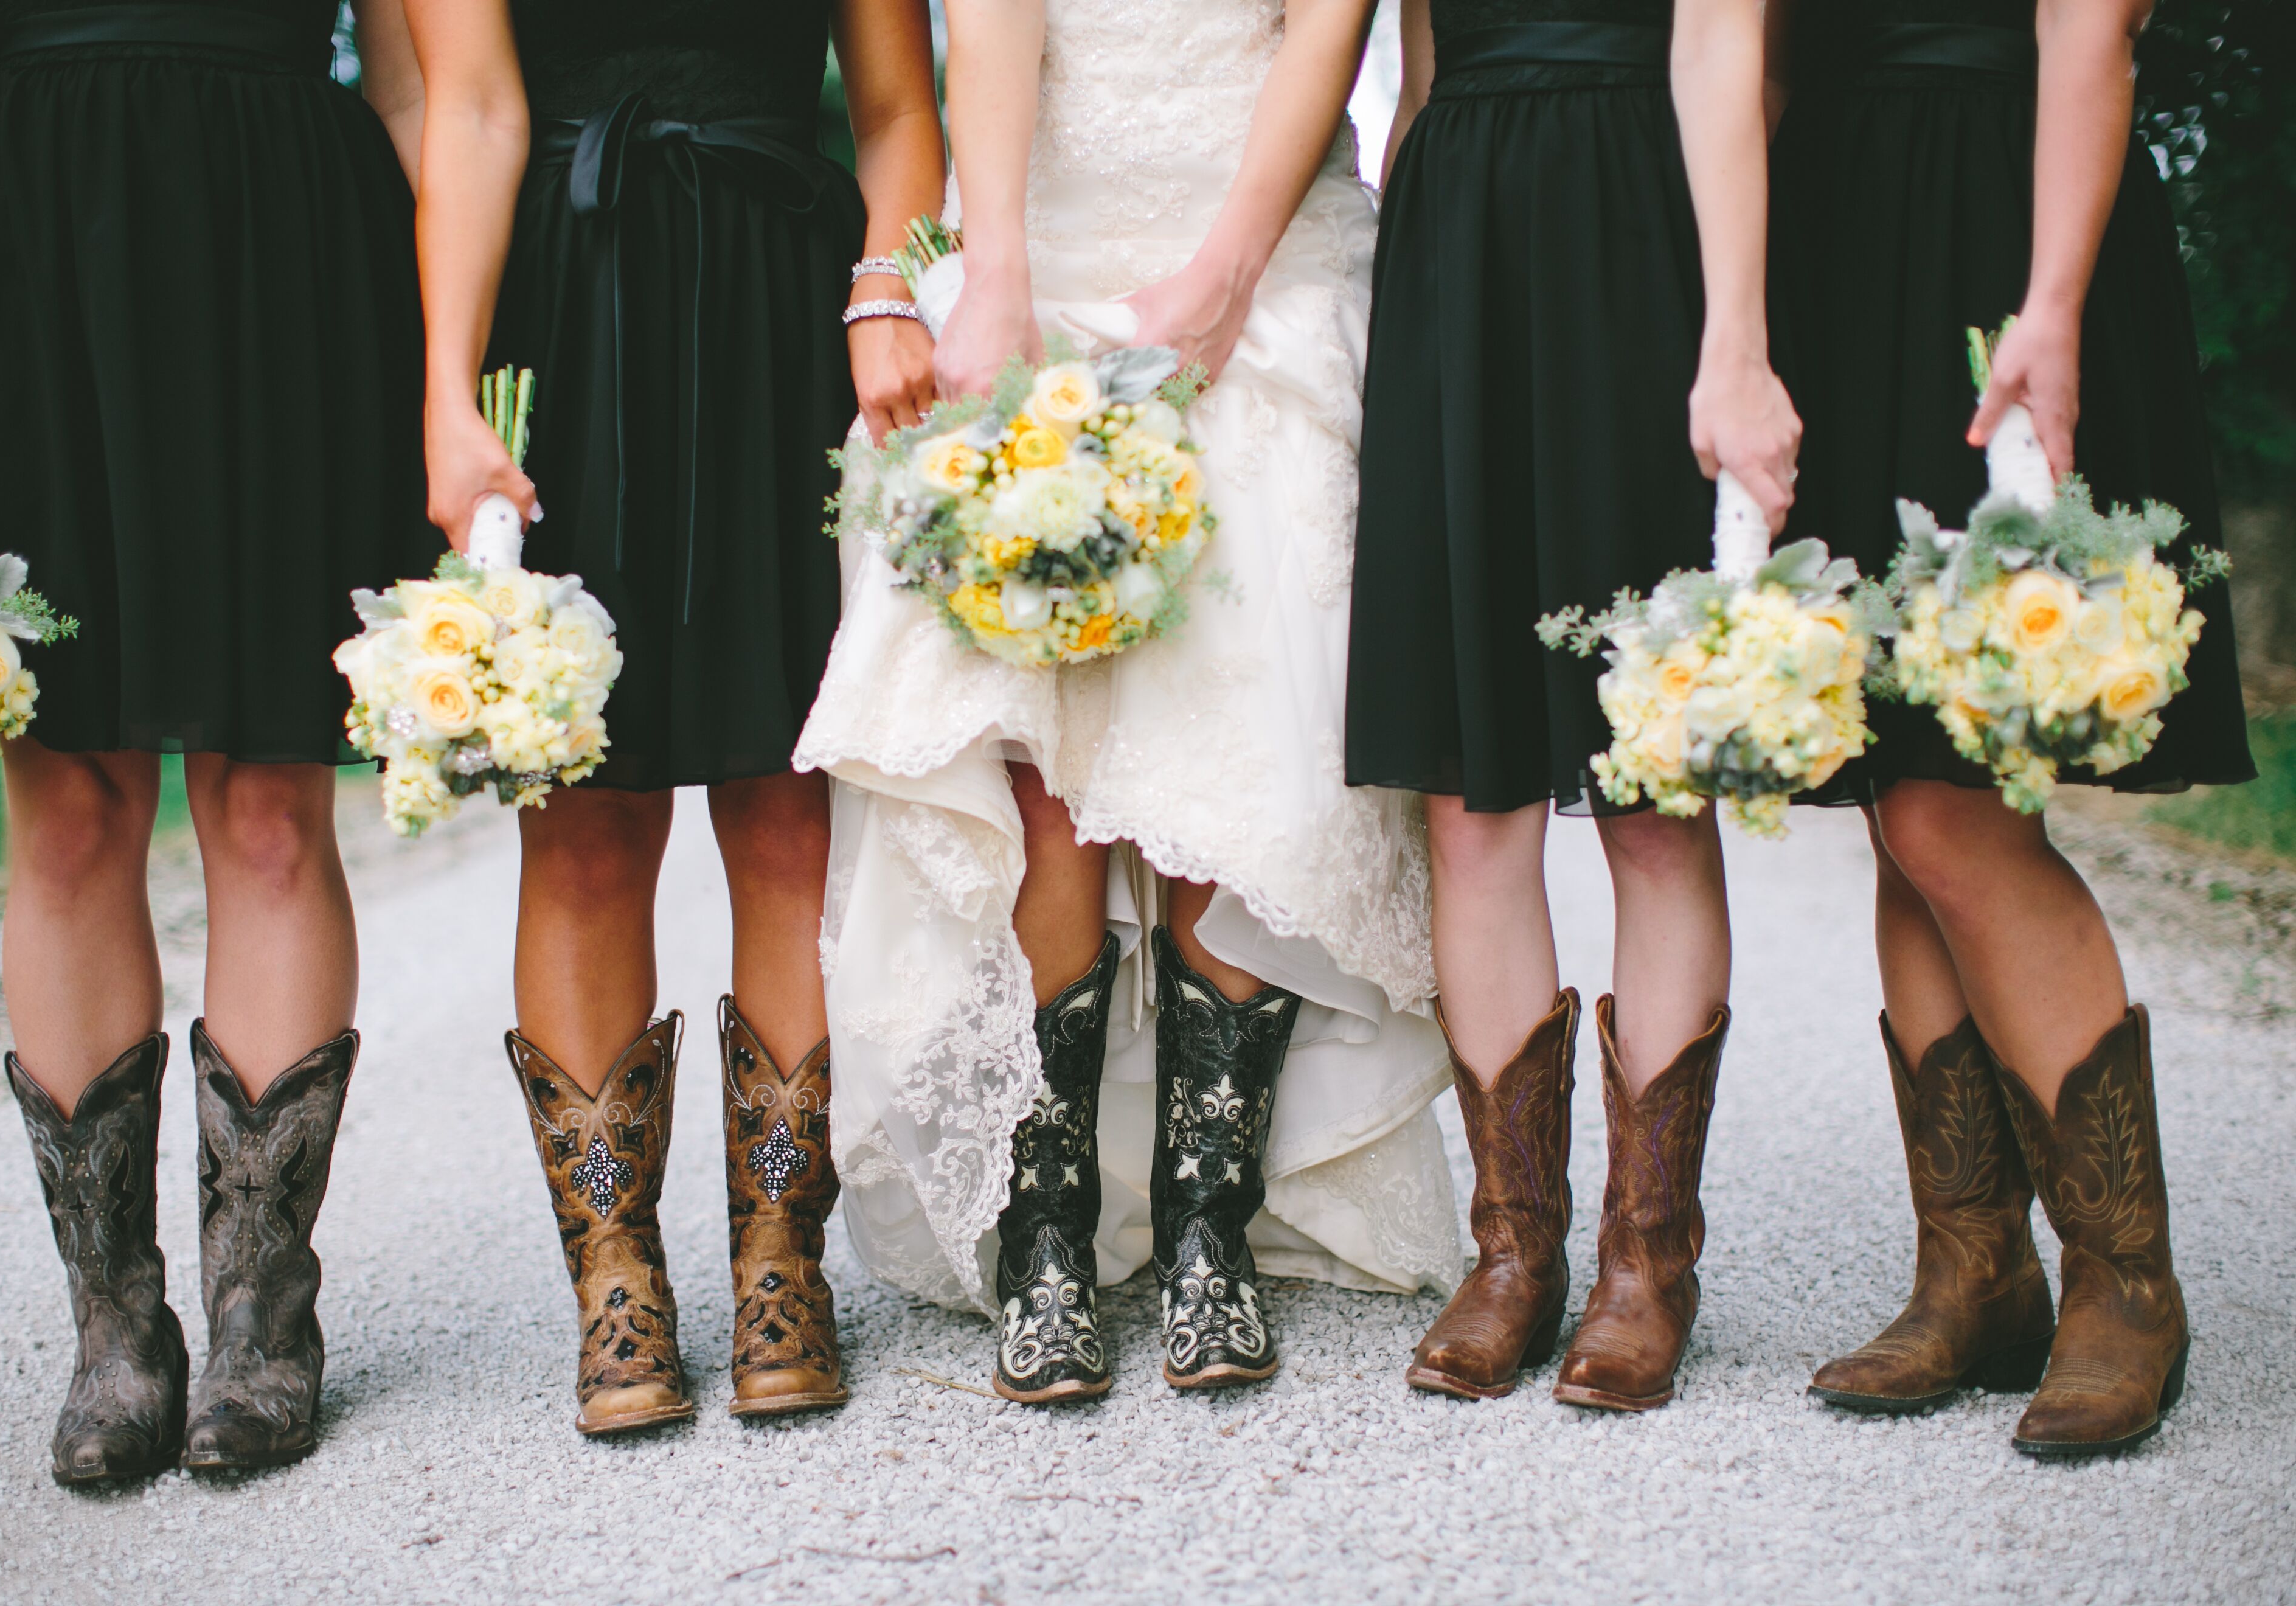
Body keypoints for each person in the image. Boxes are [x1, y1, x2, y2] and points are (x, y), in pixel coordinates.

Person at [797, 0, 1465, 1404]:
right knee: (1043, 760)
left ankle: (1207, 1222)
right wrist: (994, 279)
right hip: (1047, 237)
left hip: (1264, 254)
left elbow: (1323, 31)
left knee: (1226, 740)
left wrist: (1226, 277)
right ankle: (1047, 1238)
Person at [0, 0, 439, 1481]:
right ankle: (115, 1328)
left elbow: (411, 84)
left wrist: (448, 369)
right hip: (26, 250)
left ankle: (262, 1315)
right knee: (66, 803)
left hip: (292, 251)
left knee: (269, 801)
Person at [397, 0, 942, 1429]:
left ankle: (782, 1266)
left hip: (780, 307)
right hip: (564, 316)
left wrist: (888, 285)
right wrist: (448, 390)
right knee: (582, 821)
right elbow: (469, 108)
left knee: (785, 809)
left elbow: (894, 107)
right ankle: (615, 1284)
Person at [1769, 0, 2250, 1456]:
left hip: (2009, 218)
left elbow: (2089, 30)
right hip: (1846, 240)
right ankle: (1974, 1269)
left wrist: (2051, 304)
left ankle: (2129, 1284)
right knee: (1897, 789)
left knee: (1953, 803)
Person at [1347, 0, 1801, 1411]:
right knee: (1469, 794)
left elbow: (1734, 52)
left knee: (1651, 787)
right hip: (1454, 244)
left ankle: (1648, 1262)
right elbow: (1415, 76)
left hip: (1631, 222)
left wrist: (1735, 338)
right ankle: (1513, 1254)